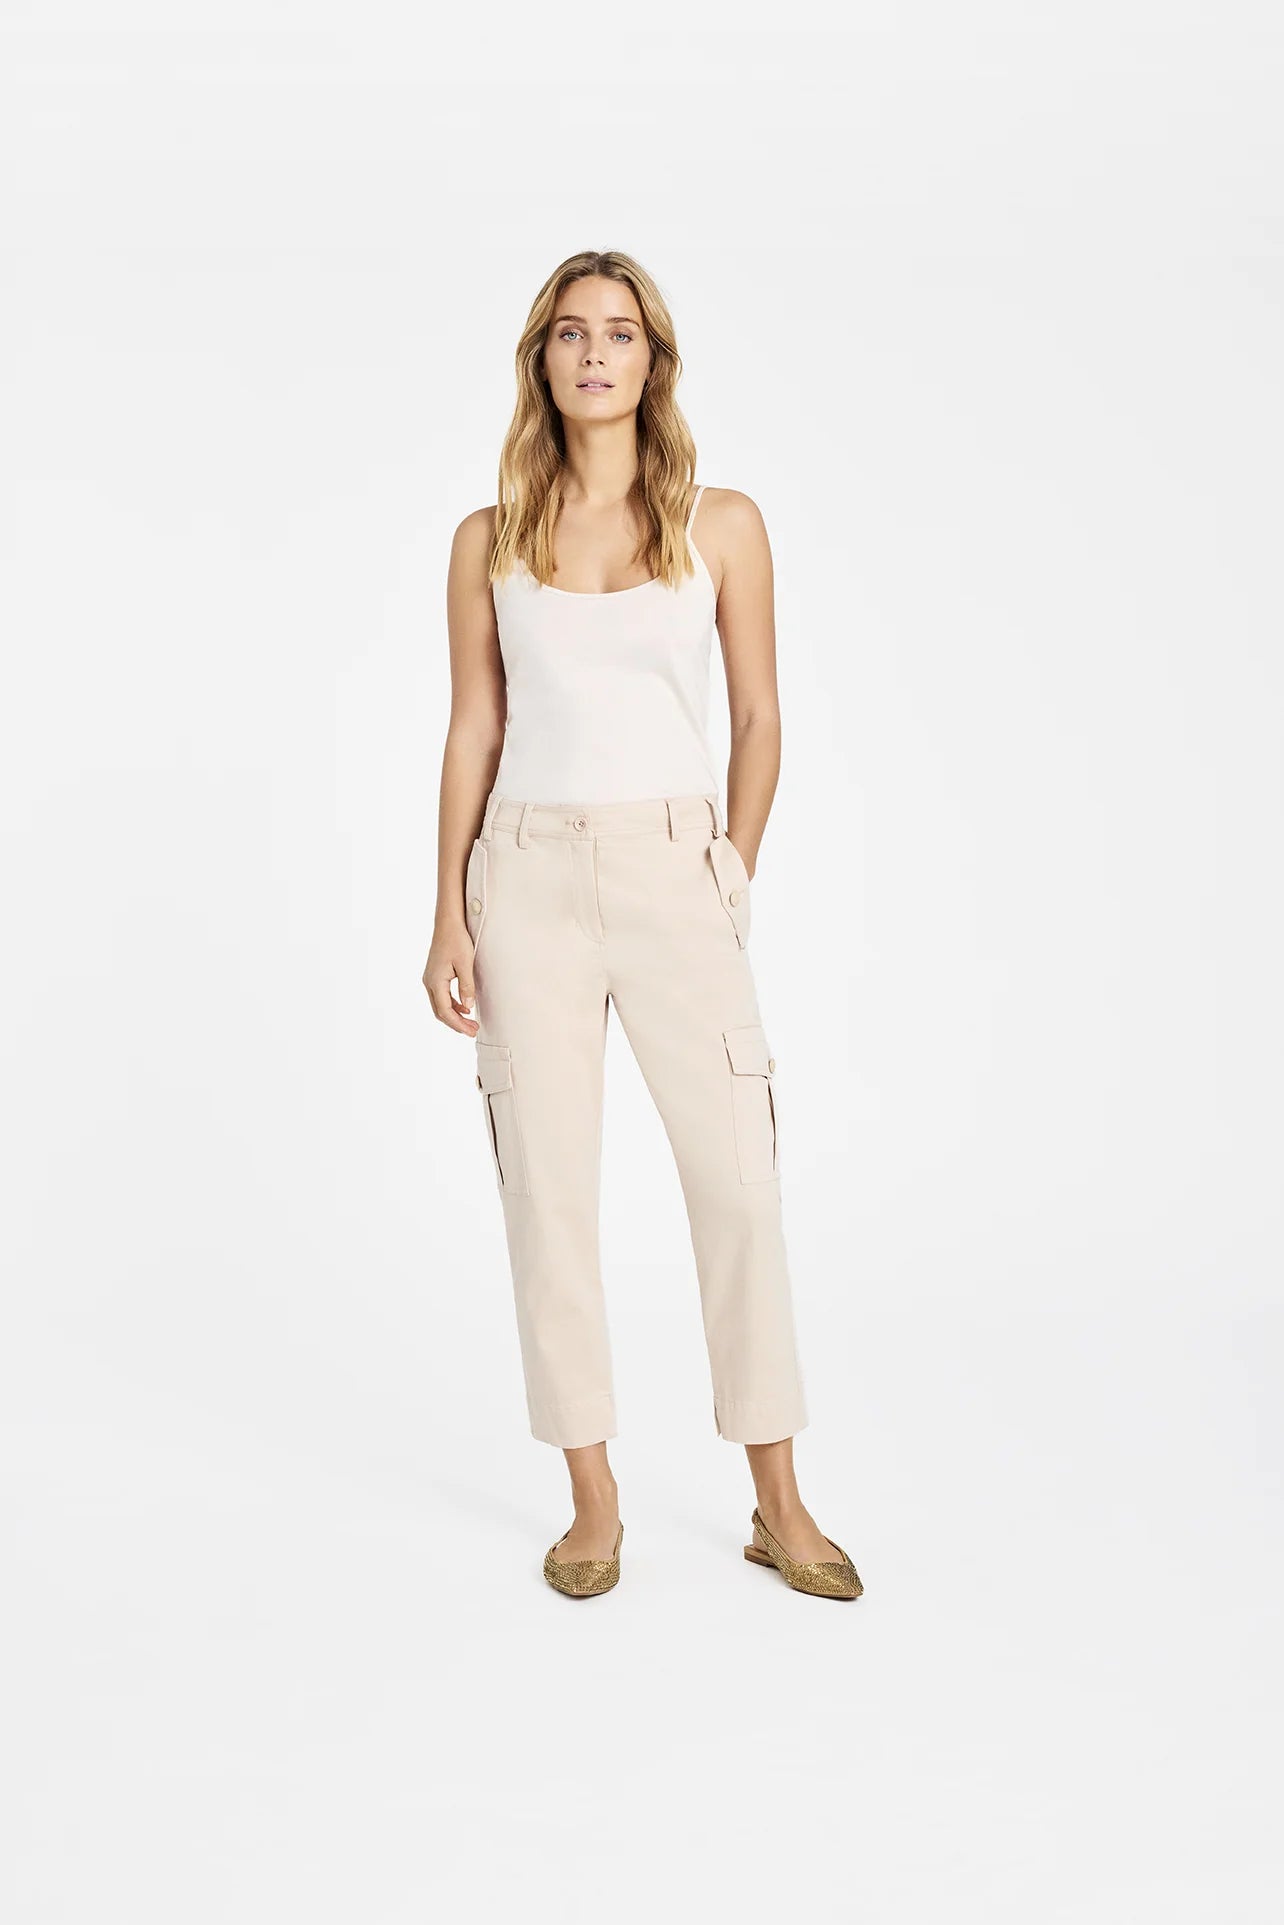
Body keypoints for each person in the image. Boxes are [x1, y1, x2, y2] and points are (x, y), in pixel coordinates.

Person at [422, 250, 862, 1603]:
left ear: (654, 361)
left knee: (738, 1186)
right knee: (548, 1194)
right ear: (541, 360)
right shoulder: (490, 537)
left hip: (678, 873)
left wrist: (732, 870)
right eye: (571, 333)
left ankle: (777, 1499)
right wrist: (446, 912)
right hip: (527, 876)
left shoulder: (720, 523)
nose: (595, 354)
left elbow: (762, 714)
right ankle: (592, 1497)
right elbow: (475, 728)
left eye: (619, 334)